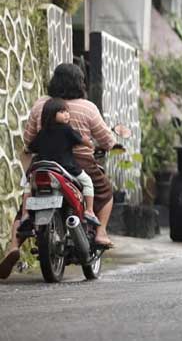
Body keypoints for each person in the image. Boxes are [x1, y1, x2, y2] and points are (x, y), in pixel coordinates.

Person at [2, 63, 121, 279]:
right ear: (80, 83)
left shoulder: (41, 105)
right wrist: (110, 142)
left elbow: (28, 140)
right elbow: (106, 140)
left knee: (26, 206)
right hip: (78, 165)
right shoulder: (88, 108)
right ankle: (100, 232)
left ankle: (13, 245)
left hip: (44, 164)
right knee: (105, 192)